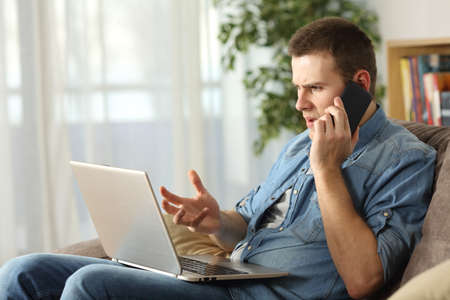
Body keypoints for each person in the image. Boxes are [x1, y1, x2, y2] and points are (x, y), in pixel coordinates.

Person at [0, 17, 435, 300]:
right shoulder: (300, 144)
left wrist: (326, 171)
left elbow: (364, 281)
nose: (299, 104)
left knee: (88, 286)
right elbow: (245, 224)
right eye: (297, 88)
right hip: (229, 278)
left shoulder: (405, 159)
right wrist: (215, 222)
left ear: (360, 84)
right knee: (23, 271)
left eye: (315, 89)